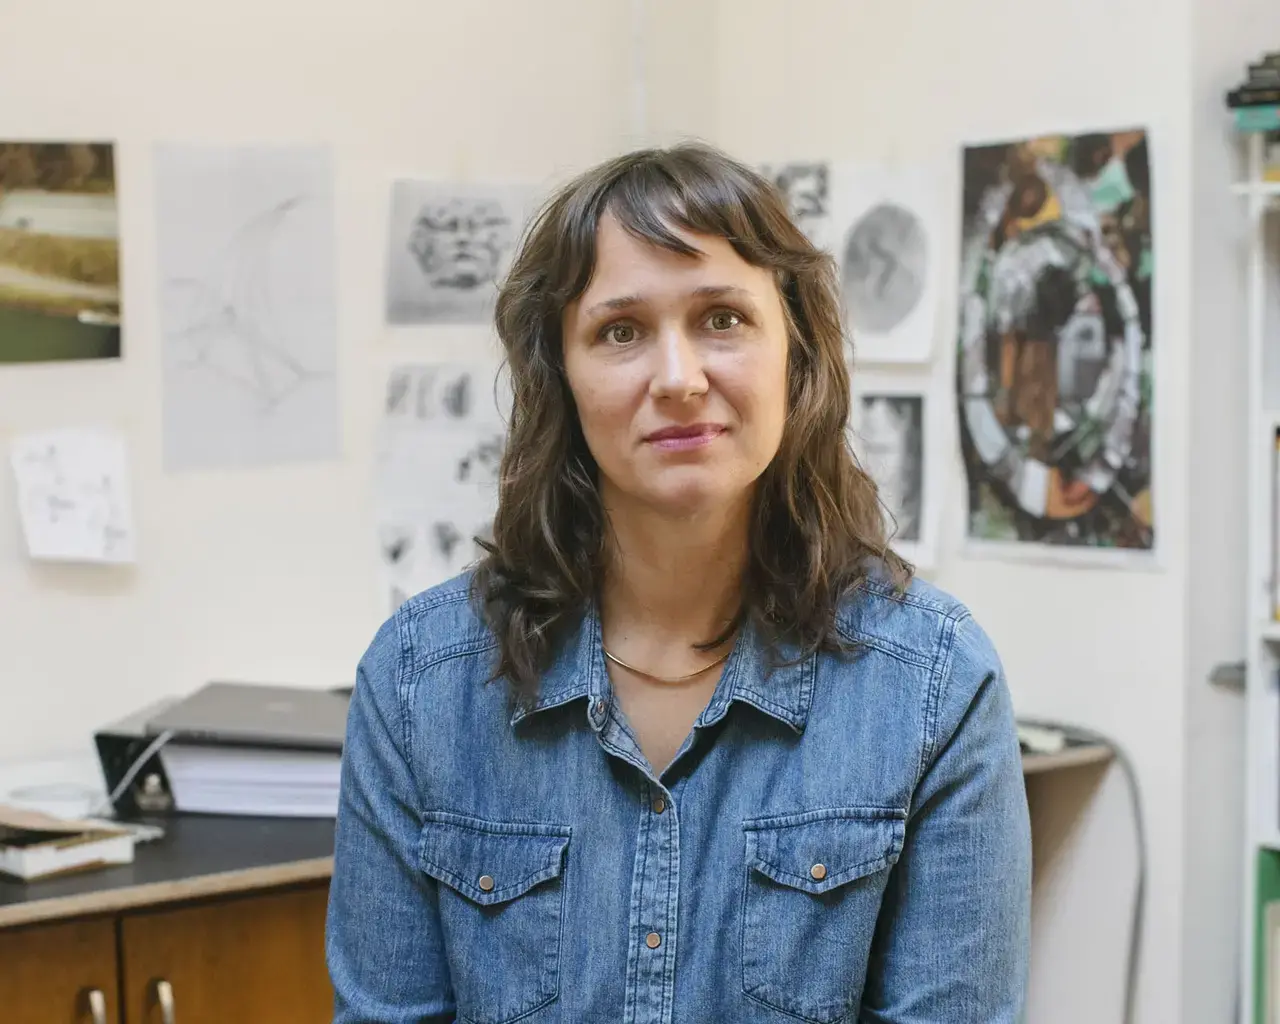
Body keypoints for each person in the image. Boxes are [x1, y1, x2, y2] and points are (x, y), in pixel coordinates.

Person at [326, 142, 1031, 1023]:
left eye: (722, 319)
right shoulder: (420, 682)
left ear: (796, 353)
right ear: (560, 379)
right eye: (620, 332)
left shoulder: (933, 683)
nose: (679, 378)